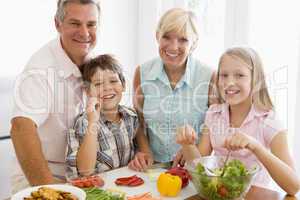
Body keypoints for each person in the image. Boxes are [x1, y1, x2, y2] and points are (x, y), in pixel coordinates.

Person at [176, 47, 300, 195]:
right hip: (220, 194)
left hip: (255, 196)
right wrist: (187, 145)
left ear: (255, 80)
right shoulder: (213, 114)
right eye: (224, 75)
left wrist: (256, 147)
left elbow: (293, 187)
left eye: (240, 75)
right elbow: (200, 168)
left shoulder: (268, 121)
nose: (229, 82)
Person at [10, 0, 101, 193]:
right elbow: (20, 129)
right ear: (57, 24)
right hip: (42, 176)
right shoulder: (39, 70)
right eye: (75, 23)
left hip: (81, 174)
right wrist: (50, 189)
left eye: (91, 24)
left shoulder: (95, 63)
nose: (85, 33)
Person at [129, 8, 216, 171]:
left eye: (183, 40)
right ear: (157, 36)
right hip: (153, 168)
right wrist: (146, 151)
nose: (173, 47)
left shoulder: (209, 76)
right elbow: (138, 120)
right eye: (166, 37)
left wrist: (191, 152)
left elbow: (212, 126)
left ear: (194, 43)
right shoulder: (142, 72)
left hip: (194, 168)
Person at [66, 54, 138, 175]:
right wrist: (92, 122)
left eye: (113, 81)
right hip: (99, 190)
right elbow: (85, 170)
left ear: (124, 85)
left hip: (127, 189)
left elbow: (140, 149)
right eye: (98, 84)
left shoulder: (131, 117)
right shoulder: (84, 122)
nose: (107, 88)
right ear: (88, 91)